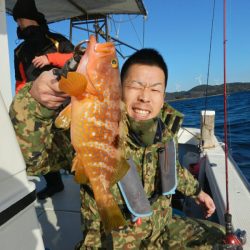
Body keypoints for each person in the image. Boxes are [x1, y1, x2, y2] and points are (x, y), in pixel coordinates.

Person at [9, 48, 225, 249]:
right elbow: (33, 160)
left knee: (224, 239)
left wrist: (198, 192)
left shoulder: (165, 132)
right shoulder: (95, 124)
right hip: (111, 238)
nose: (144, 96)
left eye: (155, 89)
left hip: (161, 229)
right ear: (119, 90)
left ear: (163, 97)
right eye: (135, 86)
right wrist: (36, 102)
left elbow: (171, 170)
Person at [12, 0, 74, 199]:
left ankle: (87, 182)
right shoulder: (19, 51)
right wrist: (22, 103)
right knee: (44, 148)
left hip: (66, 105)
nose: (19, 24)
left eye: (19, 19)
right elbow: (21, 81)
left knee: (74, 145)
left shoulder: (56, 40)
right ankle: (55, 184)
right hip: (38, 110)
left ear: (24, 19)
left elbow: (78, 61)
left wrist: (51, 59)